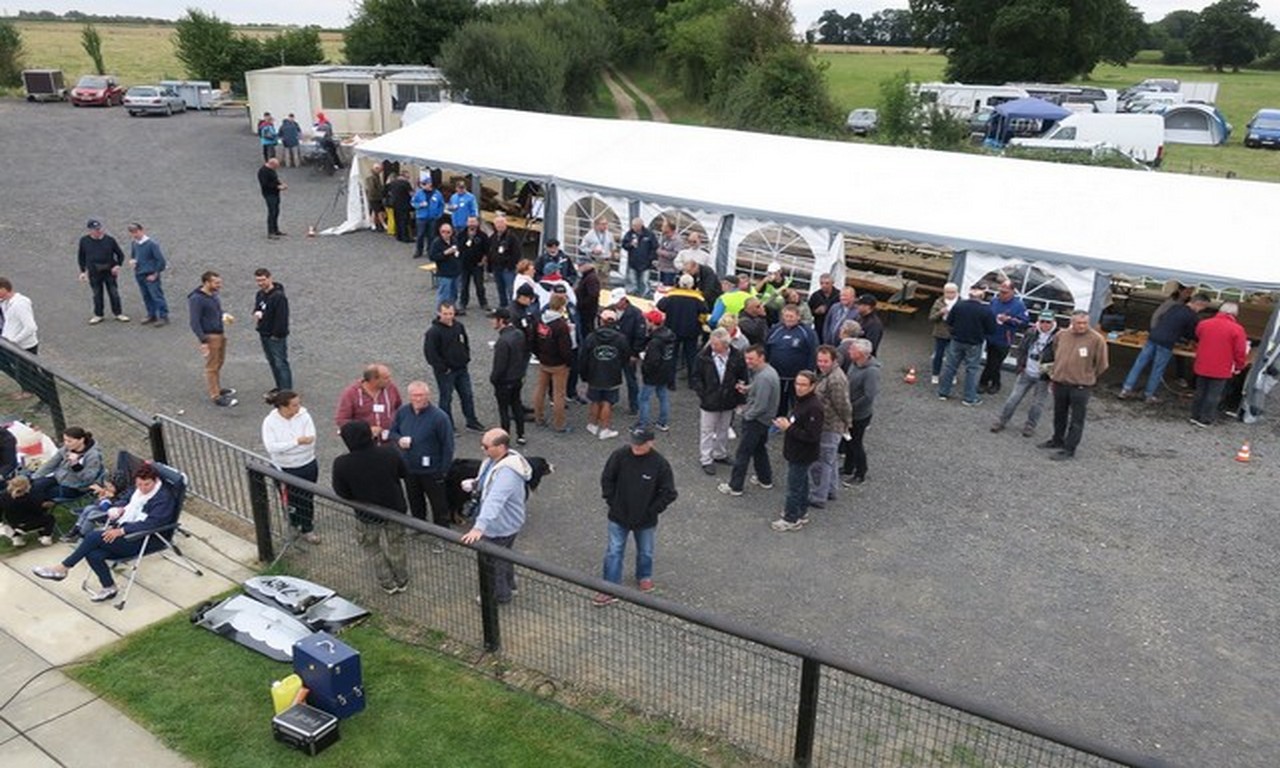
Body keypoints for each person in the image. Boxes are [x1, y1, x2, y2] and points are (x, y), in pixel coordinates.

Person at [32, 463, 175, 603]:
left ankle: (62, 568)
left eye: (147, 485)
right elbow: (125, 499)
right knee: (93, 553)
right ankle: (109, 587)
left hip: (145, 539)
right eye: (139, 484)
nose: (142, 488)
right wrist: (119, 508)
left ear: (155, 480)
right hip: (126, 532)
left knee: (93, 537)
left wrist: (122, 531)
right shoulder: (137, 490)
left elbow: (153, 523)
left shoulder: (163, 499)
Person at [594, 426, 678, 605]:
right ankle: (609, 588)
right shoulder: (619, 456)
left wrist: (651, 511)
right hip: (618, 516)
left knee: (646, 551)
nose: (636, 447)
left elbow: (669, 493)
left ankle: (644, 576)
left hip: (645, 520)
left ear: (651, 443)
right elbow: (607, 478)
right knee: (614, 552)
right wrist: (612, 501)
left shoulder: (660, 464)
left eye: (640, 444)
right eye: (634, 443)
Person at [332, 420, 409, 595]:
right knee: (396, 544)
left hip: (366, 514)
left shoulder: (342, 463)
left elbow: (342, 492)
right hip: (394, 509)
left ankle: (387, 581)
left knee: (372, 547)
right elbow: (404, 473)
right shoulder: (389, 452)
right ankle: (402, 578)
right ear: (369, 434)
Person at [460, 429, 533, 605]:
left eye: (486, 446)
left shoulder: (507, 473)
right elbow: (488, 484)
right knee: (504, 556)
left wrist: (479, 527)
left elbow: (495, 499)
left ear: (500, 447)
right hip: (507, 523)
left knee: (493, 563)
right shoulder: (494, 461)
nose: (482, 449)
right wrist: (476, 484)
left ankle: (499, 595)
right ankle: (509, 586)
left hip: (500, 526)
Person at [1039, 311, 1109, 460]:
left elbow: (1102, 364)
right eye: (1078, 323)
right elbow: (1055, 352)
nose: (1082, 326)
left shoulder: (1097, 340)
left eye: (1085, 323)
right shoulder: (1061, 335)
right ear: (1072, 322)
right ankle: (1057, 439)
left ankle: (1069, 449)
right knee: (1059, 414)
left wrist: (1087, 376)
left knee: (1076, 419)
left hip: (1081, 386)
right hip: (1060, 383)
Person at [1120, 293, 1208, 403]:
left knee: (1139, 363)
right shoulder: (1192, 316)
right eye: (1203, 307)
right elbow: (1191, 333)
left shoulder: (1175, 307)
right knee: (1157, 369)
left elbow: (1164, 319)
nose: (1201, 310)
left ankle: (1126, 389)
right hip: (1166, 342)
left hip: (1154, 336)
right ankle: (1149, 394)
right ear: (1198, 304)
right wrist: (1195, 340)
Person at [388, 380, 454, 529]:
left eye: (421, 395)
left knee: (439, 505)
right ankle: (419, 528)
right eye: (414, 395)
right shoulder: (402, 412)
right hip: (409, 469)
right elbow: (392, 432)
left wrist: (443, 471)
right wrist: (399, 439)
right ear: (409, 396)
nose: (418, 399)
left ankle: (442, 533)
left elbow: (448, 446)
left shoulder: (440, 417)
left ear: (428, 396)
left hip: (433, 471)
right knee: (415, 502)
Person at [719, 344, 780, 497]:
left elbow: (760, 405)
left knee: (743, 454)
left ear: (761, 357)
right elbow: (759, 389)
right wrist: (747, 389)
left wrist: (746, 415)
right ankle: (765, 479)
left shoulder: (764, 377)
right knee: (759, 449)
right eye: (746, 358)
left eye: (751, 359)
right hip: (764, 420)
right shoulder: (767, 372)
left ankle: (735, 486)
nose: (748, 362)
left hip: (756, 421)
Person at [262, 390, 319, 543]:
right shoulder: (269, 422)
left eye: (298, 404)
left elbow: (311, 440)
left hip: (306, 464)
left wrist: (286, 446)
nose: (298, 408)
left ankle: (307, 528)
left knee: (307, 498)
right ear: (283, 407)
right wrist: (297, 442)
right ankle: (293, 525)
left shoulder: (305, 416)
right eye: (294, 405)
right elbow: (272, 447)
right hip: (284, 467)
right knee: (288, 500)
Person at [991, 311, 1058, 438]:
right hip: (1027, 371)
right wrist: (1020, 365)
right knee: (1013, 398)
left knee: (1038, 403)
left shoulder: (1058, 337)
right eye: (1042, 321)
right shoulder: (1031, 332)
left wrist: (1053, 375)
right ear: (1038, 321)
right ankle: (1002, 420)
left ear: (1053, 322)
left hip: (1043, 375)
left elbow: (1060, 356)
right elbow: (1021, 349)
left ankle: (1030, 425)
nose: (1045, 325)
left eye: (1048, 322)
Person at [771, 370, 823, 532]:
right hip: (796, 451)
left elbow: (812, 436)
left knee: (793, 487)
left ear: (812, 386)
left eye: (803, 385)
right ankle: (801, 511)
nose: (799, 388)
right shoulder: (802, 401)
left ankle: (791, 518)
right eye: (797, 384)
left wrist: (788, 428)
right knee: (802, 482)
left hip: (802, 453)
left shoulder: (814, 407)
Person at [423, 302, 485, 432]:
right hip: (446, 372)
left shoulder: (459, 326)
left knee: (467, 395)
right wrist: (443, 368)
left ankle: (471, 421)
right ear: (439, 313)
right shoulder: (433, 332)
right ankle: (447, 425)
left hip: (461, 368)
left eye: (451, 313)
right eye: (445, 314)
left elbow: (465, 342)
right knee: (446, 398)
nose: (448, 316)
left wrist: (466, 358)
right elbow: (431, 354)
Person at [693, 328, 748, 474]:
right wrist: (703, 394)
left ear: (725, 345)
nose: (712, 346)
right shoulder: (703, 356)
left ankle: (720, 454)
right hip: (709, 400)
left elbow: (742, 377)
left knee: (723, 429)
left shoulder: (737, 356)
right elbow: (696, 377)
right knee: (707, 431)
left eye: (716, 344)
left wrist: (740, 398)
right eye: (712, 343)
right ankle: (706, 459)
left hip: (728, 399)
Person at [1190, 302, 1248, 428]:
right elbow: (1240, 351)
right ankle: (1205, 419)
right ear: (1235, 314)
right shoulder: (1237, 329)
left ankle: (1194, 415)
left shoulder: (1204, 324)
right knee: (1213, 395)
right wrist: (1239, 366)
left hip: (1202, 362)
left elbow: (1198, 336)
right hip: (1222, 366)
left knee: (1200, 391)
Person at [937, 284, 997, 406]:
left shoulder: (959, 305)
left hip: (957, 340)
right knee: (972, 370)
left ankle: (943, 392)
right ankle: (969, 398)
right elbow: (991, 330)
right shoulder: (986, 310)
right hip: (974, 343)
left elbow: (949, 322)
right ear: (982, 296)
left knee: (950, 367)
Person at [188, 271, 238, 407]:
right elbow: (194, 322)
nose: (219, 285)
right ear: (206, 282)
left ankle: (217, 388)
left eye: (219, 282)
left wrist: (223, 315)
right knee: (212, 366)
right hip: (210, 336)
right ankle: (215, 395)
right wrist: (203, 341)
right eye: (216, 283)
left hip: (219, 333)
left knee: (219, 362)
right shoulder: (196, 299)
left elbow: (216, 311)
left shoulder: (213, 295)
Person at [809, 346, 851, 509]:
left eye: (825, 361)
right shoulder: (829, 374)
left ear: (834, 361)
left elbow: (843, 405)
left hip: (829, 426)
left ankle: (818, 496)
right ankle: (831, 490)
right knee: (829, 460)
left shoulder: (835, 379)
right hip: (829, 425)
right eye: (819, 360)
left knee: (820, 462)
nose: (821, 364)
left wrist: (847, 423)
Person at [581, 309, 630, 440]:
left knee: (595, 400)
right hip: (612, 375)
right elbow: (626, 357)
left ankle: (592, 424)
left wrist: (584, 374)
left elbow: (583, 357)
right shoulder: (621, 338)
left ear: (601, 321)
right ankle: (605, 429)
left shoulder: (591, 337)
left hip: (594, 374)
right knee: (608, 402)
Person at [531, 293, 574, 433]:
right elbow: (565, 348)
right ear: (562, 306)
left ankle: (538, 417)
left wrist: (539, 355)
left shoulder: (541, 320)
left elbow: (534, 340)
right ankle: (559, 424)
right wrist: (569, 362)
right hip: (558, 364)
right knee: (559, 394)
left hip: (544, 361)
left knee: (540, 389)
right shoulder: (561, 325)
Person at [765, 304, 819, 416]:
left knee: (798, 404)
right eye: (786, 316)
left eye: (791, 316)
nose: (788, 319)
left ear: (798, 317)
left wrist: (809, 372)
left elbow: (813, 352)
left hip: (797, 378)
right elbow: (766, 348)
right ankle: (778, 420)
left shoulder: (807, 332)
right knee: (778, 404)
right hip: (777, 376)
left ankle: (796, 421)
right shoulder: (775, 330)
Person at [29, 426, 103, 503]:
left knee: (43, 493)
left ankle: (37, 508)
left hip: (75, 487)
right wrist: (35, 476)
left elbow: (89, 478)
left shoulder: (93, 456)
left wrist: (76, 465)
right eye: (65, 440)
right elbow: (51, 464)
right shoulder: (67, 448)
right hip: (59, 478)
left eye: (69, 441)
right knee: (35, 486)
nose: (66, 443)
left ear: (81, 440)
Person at [842, 338, 881, 485]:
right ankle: (848, 467)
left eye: (852, 350)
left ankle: (860, 472)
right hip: (849, 411)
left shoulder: (871, 371)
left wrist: (851, 407)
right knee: (848, 441)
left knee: (856, 443)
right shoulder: (854, 364)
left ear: (862, 354)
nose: (849, 351)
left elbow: (869, 395)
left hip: (859, 415)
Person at [979, 280, 1029, 395]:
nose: (1002, 294)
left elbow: (1024, 322)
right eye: (1001, 292)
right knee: (990, 361)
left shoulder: (1019, 305)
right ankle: (988, 382)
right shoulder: (994, 301)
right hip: (991, 336)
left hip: (1005, 339)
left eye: (1005, 292)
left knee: (996, 363)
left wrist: (1009, 320)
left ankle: (988, 382)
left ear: (1012, 292)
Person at [656, 273, 706, 387]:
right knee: (691, 357)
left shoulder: (672, 295)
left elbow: (660, 306)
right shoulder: (698, 297)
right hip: (691, 331)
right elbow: (704, 311)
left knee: (672, 356)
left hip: (673, 329)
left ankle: (670, 382)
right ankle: (692, 382)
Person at [334, 363, 402, 445]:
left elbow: (399, 408)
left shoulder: (391, 388)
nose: (390, 380)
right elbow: (342, 420)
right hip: (364, 444)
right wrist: (367, 430)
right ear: (373, 380)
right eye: (386, 378)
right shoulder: (351, 394)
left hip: (390, 442)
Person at [489, 308, 528, 445]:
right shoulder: (519, 334)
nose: (491, 322)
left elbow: (500, 366)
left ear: (501, 321)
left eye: (494, 319)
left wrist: (493, 379)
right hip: (517, 377)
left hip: (504, 381)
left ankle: (505, 438)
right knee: (517, 405)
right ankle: (521, 434)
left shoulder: (502, 342)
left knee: (504, 410)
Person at [77, 219, 129, 323]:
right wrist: (82, 271)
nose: (98, 231)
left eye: (99, 229)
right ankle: (98, 314)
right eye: (95, 229)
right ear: (90, 230)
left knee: (114, 293)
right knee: (97, 294)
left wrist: (117, 265)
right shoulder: (84, 241)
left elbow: (120, 255)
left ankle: (118, 313)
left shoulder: (110, 240)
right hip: (94, 273)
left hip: (109, 272)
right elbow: (81, 256)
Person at [253, 268, 291, 399]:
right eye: (258, 281)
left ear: (270, 278)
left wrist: (277, 334)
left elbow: (282, 318)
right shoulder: (260, 294)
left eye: (263, 280)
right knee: (273, 362)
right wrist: (256, 313)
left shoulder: (279, 297)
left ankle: (286, 392)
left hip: (275, 336)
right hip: (264, 333)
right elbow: (257, 307)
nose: (260, 283)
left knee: (280, 363)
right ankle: (280, 387)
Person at [636, 309, 677, 432]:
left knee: (643, 399)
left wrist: (644, 362)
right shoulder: (669, 336)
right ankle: (662, 422)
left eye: (647, 320)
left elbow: (652, 361)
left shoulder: (655, 341)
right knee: (663, 397)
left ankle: (642, 425)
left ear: (652, 322)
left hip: (653, 375)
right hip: (666, 371)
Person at [0, 277, 40, 399]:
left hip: (24, 346)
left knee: (27, 372)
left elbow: (31, 327)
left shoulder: (19, 304)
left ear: (3, 289)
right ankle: (29, 390)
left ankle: (39, 394)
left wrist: (14, 341)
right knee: (23, 372)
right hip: (14, 345)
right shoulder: (6, 303)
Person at [127, 223, 169, 327]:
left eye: (136, 232)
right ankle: (151, 314)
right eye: (132, 232)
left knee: (156, 296)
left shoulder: (152, 244)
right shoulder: (134, 243)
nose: (134, 234)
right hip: (139, 273)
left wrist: (155, 274)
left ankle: (163, 316)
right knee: (146, 296)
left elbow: (161, 261)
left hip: (150, 274)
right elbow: (134, 256)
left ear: (142, 230)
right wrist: (133, 262)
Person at [0, 476, 55, 547]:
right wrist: (45, 506)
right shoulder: (30, 497)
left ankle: (16, 539)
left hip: (14, 525)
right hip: (32, 523)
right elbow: (38, 510)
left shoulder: (3, 497)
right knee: (50, 518)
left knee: (5, 524)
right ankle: (46, 537)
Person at [928, 283, 960, 385]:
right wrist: (940, 312)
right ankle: (935, 374)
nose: (950, 295)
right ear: (944, 292)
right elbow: (931, 318)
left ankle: (952, 375)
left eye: (952, 292)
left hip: (955, 334)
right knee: (938, 355)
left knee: (954, 357)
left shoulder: (961, 303)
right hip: (940, 333)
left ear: (957, 292)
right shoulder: (938, 302)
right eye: (948, 292)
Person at [457, 215, 490, 314]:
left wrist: (484, 260)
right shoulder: (461, 234)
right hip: (464, 265)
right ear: (467, 223)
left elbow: (487, 250)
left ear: (477, 223)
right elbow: (458, 247)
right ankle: (463, 303)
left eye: (473, 222)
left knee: (479, 285)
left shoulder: (483, 235)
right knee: (464, 285)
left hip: (477, 264)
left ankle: (483, 303)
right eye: (470, 222)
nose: (472, 224)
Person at [488, 215, 522, 307]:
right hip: (496, 268)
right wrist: (490, 267)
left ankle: (513, 307)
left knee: (511, 289)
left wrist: (510, 265)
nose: (499, 226)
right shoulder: (493, 237)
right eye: (497, 224)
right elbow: (489, 252)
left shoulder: (512, 237)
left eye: (501, 223)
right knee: (500, 289)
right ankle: (503, 306)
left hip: (508, 269)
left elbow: (517, 253)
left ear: (505, 224)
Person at [620, 217, 657, 297]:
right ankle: (632, 295)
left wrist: (651, 259)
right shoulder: (629, 233)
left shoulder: (649, 234)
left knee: (644, 281)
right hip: (633, 263)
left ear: (641, 225)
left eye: (635, 226)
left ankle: (645, 296)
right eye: (633, 225)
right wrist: (630, 244)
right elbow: (624, 245)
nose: (634, 227)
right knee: (632, 281)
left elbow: (654, 247)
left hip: (646, 264)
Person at [429, 222, 463, 306]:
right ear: (440, 232)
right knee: (444, 295)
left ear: (452, 232)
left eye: (448, 232)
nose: (445, 234)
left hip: (455, 272)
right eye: (443, 232)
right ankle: (441, 311)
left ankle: (452, 309)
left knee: (454, 293)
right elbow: (432, 256)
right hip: (444, 273)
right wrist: (445, 253)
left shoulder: (454, 240)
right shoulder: (436, 242)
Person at [411, 176, 445, 258]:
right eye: (422, 184)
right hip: (421, 217)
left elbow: (441, 204)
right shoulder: (419, 193)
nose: (423, 186)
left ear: (430, 184)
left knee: (431, 235)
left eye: (424, 184)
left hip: (432, 218)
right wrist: (420, 205)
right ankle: (419, 251)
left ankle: (430, 250)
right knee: (420, 235)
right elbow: (413, 203)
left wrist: (439, 214)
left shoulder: (437, 193)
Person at [575, 255, 602, 336]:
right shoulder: (587, 276)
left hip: (587, 312)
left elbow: (593, 295)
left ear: (588, 265)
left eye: (581, 265)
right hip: (585, 310)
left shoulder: (591, 278)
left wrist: (581, 304)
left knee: (586, 331)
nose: (579, 268)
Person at [386, 171, 415, 244]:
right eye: (408, 177)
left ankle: (399, 236)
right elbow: (411, 194)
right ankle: (405, 237)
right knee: (404, 221)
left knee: (397, 220)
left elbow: (387, 191)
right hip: (404, 205)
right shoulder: (405, 183)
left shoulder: (393, 183)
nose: (408, 178)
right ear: (404, 176)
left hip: (395, 204)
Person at [655, 220, 683, 287]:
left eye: (663, 226)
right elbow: (659, 247)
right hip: (661, 267)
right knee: (661, 287)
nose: (661, 228)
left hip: (670, 270)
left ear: (669, 228)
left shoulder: (677, 240)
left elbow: (677, 255)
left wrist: (663, 253)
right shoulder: (664, 237)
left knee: (667, 288)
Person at [364, 162, 387, 232]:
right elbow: (372, 189)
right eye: (380, 170)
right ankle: (383, 224)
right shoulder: (372, 177)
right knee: (379, 211)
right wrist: (380, 193)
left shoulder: (374, 176)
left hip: (374, 197)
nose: (381, 172)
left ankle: (373, 224)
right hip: (374, 197)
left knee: (375, 211)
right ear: (376, 169)